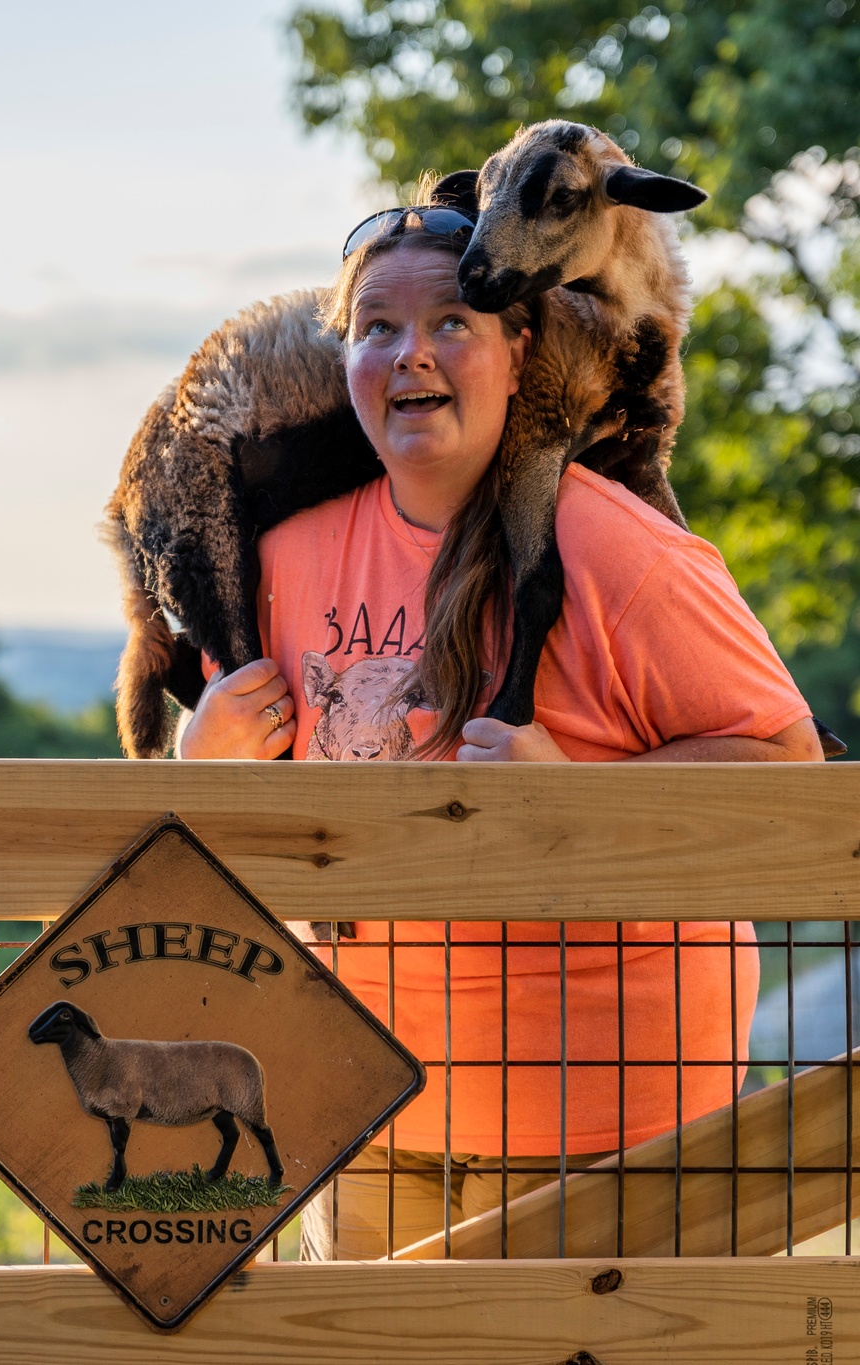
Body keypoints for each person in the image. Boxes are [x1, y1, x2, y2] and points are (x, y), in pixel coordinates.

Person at [176, 202, 823, 1260]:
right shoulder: (283, 563)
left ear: (519, 354)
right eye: (376, 329)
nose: (409, 354)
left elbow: (787, 767)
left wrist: (577, 796)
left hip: (616, 1131)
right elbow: (235, 815)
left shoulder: (618, 551)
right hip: (369, 1120)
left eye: (451, 323)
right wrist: (200, 761)